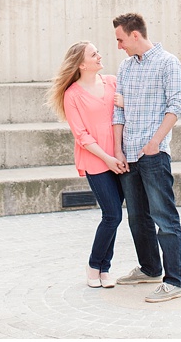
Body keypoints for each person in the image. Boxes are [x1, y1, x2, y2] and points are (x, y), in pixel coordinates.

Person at [111, 12, 181, 302]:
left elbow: (176, 106)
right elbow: (118, 111)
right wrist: (117, 149)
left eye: (120, 39)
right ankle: (150, 268)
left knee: (164, 218)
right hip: (128, 153)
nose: (119, 45)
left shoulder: (168, 62)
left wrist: (155, 142)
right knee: (137, 218)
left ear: (135, 35)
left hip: (153, 153)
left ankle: (175, 281)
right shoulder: (125, 67)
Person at [46, 41, 127, 288]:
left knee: (115, 216)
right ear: (81, 64)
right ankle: (94, 266)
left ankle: (105, 269)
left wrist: (125, 104)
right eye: (94, 54)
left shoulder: (112, 82)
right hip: (96, 160)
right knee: (112, 214)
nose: (99, 56)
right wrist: (107, 159)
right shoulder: (72, 95)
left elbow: (125, 113)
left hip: (119, 156)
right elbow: (81, 135)